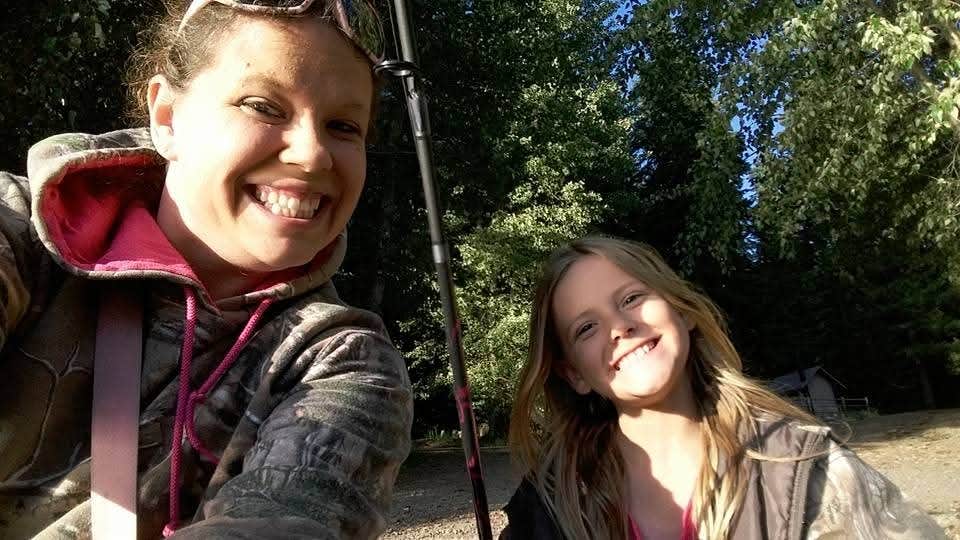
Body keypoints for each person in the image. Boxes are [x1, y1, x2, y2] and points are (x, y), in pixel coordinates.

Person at [0, 1, 413, 538]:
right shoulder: (21, 232)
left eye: (343, 125)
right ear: (167, 118)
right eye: (263, 106)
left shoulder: (343, 364)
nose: (313, 156)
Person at [501, 236, 944, 539]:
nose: (619, 326)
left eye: (632, 298)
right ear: (574, 374)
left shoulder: (803, 467)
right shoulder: (548, 509)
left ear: (682, 310)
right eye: (586, 328)